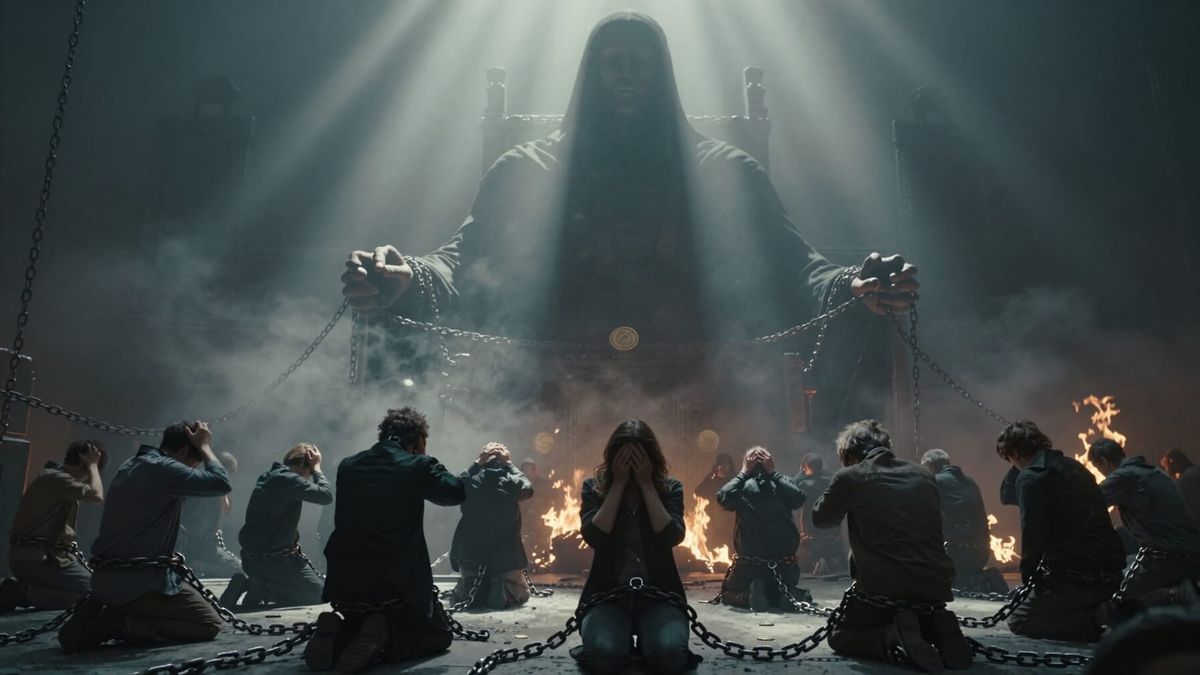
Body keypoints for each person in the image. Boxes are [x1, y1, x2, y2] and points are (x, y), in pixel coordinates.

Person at [339, 11, 920, 445]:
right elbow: (462, 262)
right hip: (551, 391)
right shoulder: (527, 173)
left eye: (640, 63)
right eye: (612, 62)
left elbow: (798, 268)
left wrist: (854, 286)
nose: (625, 75)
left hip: (702, 389)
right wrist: (406, 277)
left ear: (663, 75)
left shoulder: (724, 174)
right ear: (589, 73)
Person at [304, 407, 465, 673]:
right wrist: (427, 460)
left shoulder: (348, 465)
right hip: (394, 583)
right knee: (437, 635)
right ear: (418, 441)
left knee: (364, 621)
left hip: (344, 581)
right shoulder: (417, 465)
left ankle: (339, 636)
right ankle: (384, 644)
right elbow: (455, 492)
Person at [57, 421, 232, 653]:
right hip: (139, 583)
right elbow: (221, 483)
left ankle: (112, 609)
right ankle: (119, 624)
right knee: (208, 623)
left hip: (109, 577)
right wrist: (205, 446)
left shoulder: (132, 465)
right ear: (183, 451)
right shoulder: (164, 468)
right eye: (194, 463)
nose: (193, 469)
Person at [812, 420, 969, 673]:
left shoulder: (851, 476)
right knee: (915, 613)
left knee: (840, 635)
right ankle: (936, 627)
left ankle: (890, 636)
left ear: (849, 455)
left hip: (884, 590)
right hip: (934, 588)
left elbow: (821, 519)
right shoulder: (924, 475)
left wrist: (842, 483)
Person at [570, 420, 697, 675]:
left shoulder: (671, 488)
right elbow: (594, 536)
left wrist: (647, 485)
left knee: (669, 655)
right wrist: (617, 485)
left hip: (660, 597)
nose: (630, 463)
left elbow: (671, 536)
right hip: (607, 597)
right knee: (603, 655)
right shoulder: (593, 488)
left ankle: (645, 646)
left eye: (639, 456)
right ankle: (623, 644)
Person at [996, 421, 1125, 643]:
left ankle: (1098, 618)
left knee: (1020, 620)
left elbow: (1033, 536)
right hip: (1111, 573)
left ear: (1015, 454)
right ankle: (1098, 608)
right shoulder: (1075, 467)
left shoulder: (1031, 477)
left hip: (1076, 577)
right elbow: (1007, 495)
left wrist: (1029, 584)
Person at [1088, 439, 1200, 610]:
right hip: (1189, 551)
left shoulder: (1123, 477)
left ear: (1104, 461)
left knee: (1114, 598)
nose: (1101, 473)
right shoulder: (1153, 471)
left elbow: (1086, 503)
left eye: (1098, 468)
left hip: (1168, 556)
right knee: (1127, 563)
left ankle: (1174, 596)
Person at [222, 442, 333, 610]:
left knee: (318, 588)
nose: (309, 478)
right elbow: (325, 496)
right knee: (319, 594)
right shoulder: (288, 479)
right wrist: (317, 468)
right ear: (305, 464)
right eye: (310, 472)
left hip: (254, 559)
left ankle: (258, 585)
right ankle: (258, 587)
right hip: (275, 562)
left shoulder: (271, 476)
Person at [0, 440, 106, 612]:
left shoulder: (58, 481)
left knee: (95, 592)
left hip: (45, 559)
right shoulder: (56, 479)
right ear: (84, 462)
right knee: (94, 595)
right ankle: (22, 593)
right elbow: (96, 495)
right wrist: (93, 465)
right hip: (37, 560)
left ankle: (26, 591)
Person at [715, 446, 810, 611]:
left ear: (747, 464)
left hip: (750, 569)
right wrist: (774, 474)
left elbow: (723, 498)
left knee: (728, 593)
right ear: (770, 462)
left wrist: (743, 473)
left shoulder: (741, 488)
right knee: (792, 590)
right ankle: (784, 594)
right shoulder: (784, 483)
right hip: (785, 568)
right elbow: (799, 499)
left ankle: (749, 596)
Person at [449, 442, 534, 610]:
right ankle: (503, 590)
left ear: (483, 463)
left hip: (470, 559)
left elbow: (455, 483)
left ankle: (469, 588)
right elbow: (528, 487)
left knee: (470, 580)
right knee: (523, 592)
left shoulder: (470, 483)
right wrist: (509, 463)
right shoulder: (512, 485)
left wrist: (477, 462)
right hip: (505, 562)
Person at [920, 448, 1006, 594]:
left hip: (957, 554)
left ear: (929, 466)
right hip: (983, 553)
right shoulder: (970, 481)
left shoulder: (936, 482)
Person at [178, 450, 243, 578]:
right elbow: (225, 510)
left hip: (201, 543)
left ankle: (198, 566)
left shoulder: (207, 484)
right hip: (198, 543)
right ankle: (198, 566)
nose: (230, 477)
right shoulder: (208, 487)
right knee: (237, 569)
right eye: (230, 471)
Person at [792, 452, 845, 574]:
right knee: (832, 554)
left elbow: (792, 486)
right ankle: (828, 563)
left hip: (811, 530)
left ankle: (816, 564)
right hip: (831, 529)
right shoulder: (831, 481)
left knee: (808, 557)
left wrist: (800, 472)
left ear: (806, 467)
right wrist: (825, 471)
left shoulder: (803, 484)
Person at [693, 453, 736, 552]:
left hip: (730, 518)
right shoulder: (711, 479)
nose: (723, 467)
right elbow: (698, 492)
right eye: (721, 464)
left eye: (726, 464)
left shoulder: (735, 480)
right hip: (714, 518)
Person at [518, 457, 554, 559]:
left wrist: (538, 505)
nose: (527, 473)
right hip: (526, 522)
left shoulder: (545, 484)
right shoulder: (519, 486)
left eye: (529, 470)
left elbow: (552, 501)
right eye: (524, 470)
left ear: (534, 471)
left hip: (543, 521)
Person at [1160, 448, 1200, 522]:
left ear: (1172, 463)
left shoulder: (1187, 479)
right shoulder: (1195, 471)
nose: (1166, 470)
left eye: (1166, 466)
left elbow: (1193, 508)